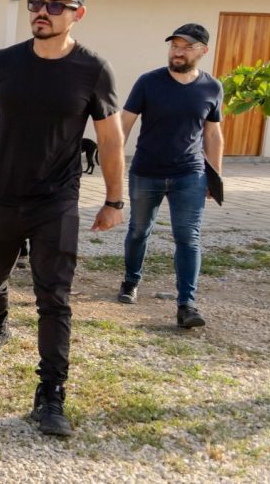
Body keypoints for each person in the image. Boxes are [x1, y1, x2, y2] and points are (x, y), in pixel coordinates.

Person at [0, 0, 124, 437]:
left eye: (55, 5)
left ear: (77, 15)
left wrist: (114, 199)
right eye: (36, 3)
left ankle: (51, 394)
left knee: (55, 296)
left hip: (57, 200)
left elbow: (109, 140)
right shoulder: (5, 63)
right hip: (2, 194)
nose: (42, 11)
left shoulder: (93, 69)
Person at [117, 23, 223, 329]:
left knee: (188, 237)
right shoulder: (148, 82)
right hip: (146, 171)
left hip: (190, 174)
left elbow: (213, 135)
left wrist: (215, 178)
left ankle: (186, 304)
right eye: (174, 45)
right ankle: (130, 281)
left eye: (186, 46)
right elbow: (125, 122)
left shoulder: (212, 87)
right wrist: (113, 164)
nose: (178, 51)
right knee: (139, 230)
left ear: (202, 51)